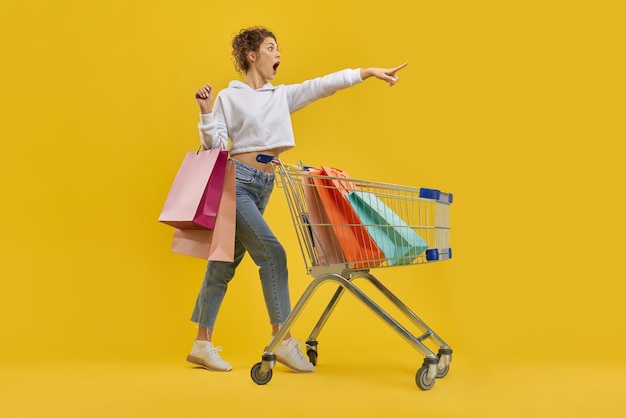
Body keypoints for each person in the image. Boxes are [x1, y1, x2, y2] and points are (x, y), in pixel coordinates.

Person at [187, 26, 407, 373]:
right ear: (252, 55)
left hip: (265, 185)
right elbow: (213, 146)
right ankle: (283, 339)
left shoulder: (281, 96)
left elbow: (322, 86)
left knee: (224, 263)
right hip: (238, 183)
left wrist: (365, 73)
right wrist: (204, 111)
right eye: (271, 48)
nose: (278, 55)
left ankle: (201, 343)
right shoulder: (229, 98)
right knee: (273, 254)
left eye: (278, 48)